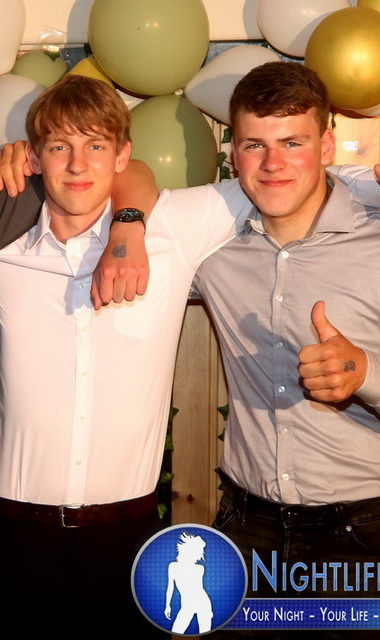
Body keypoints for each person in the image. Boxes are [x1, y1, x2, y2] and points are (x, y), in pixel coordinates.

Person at [0, 72, 380, 639]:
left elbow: (288, 179)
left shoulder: (176, 227)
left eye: (95, 147)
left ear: (121, 157)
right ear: (33, 159)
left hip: (130, 541)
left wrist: (130, 223)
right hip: (13, 540)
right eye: (59, 147)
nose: (79, 165)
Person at [193, 62, 380, 638]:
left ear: (326, 146)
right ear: (234, 154)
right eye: (255, 145)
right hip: (246, 529)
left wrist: (365, 374)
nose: (273, 163)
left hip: (361, 536)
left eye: (293, 142)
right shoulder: (208, 250)